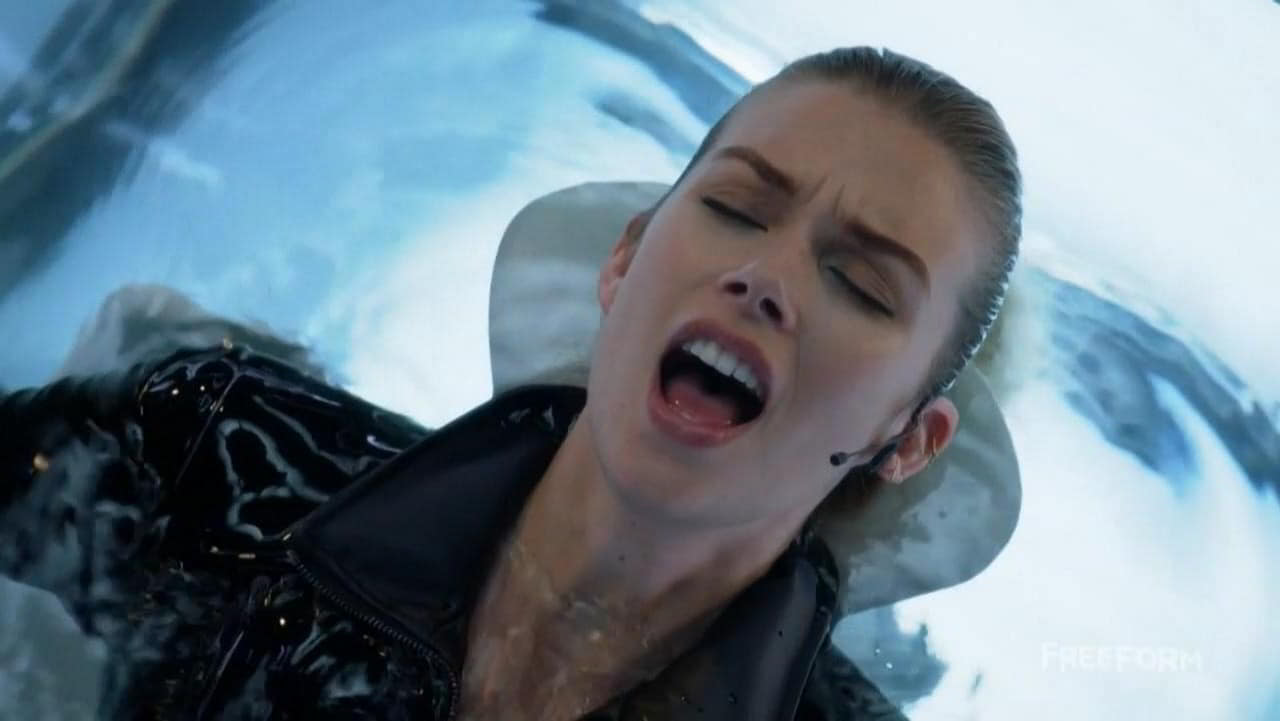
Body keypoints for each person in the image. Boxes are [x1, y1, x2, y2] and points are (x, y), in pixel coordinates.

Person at [0, 45, 1021, 720]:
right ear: (624, 259)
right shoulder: (219, 451)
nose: (766, 276)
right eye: (737, 209)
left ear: (906, 439)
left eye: (860, 283)